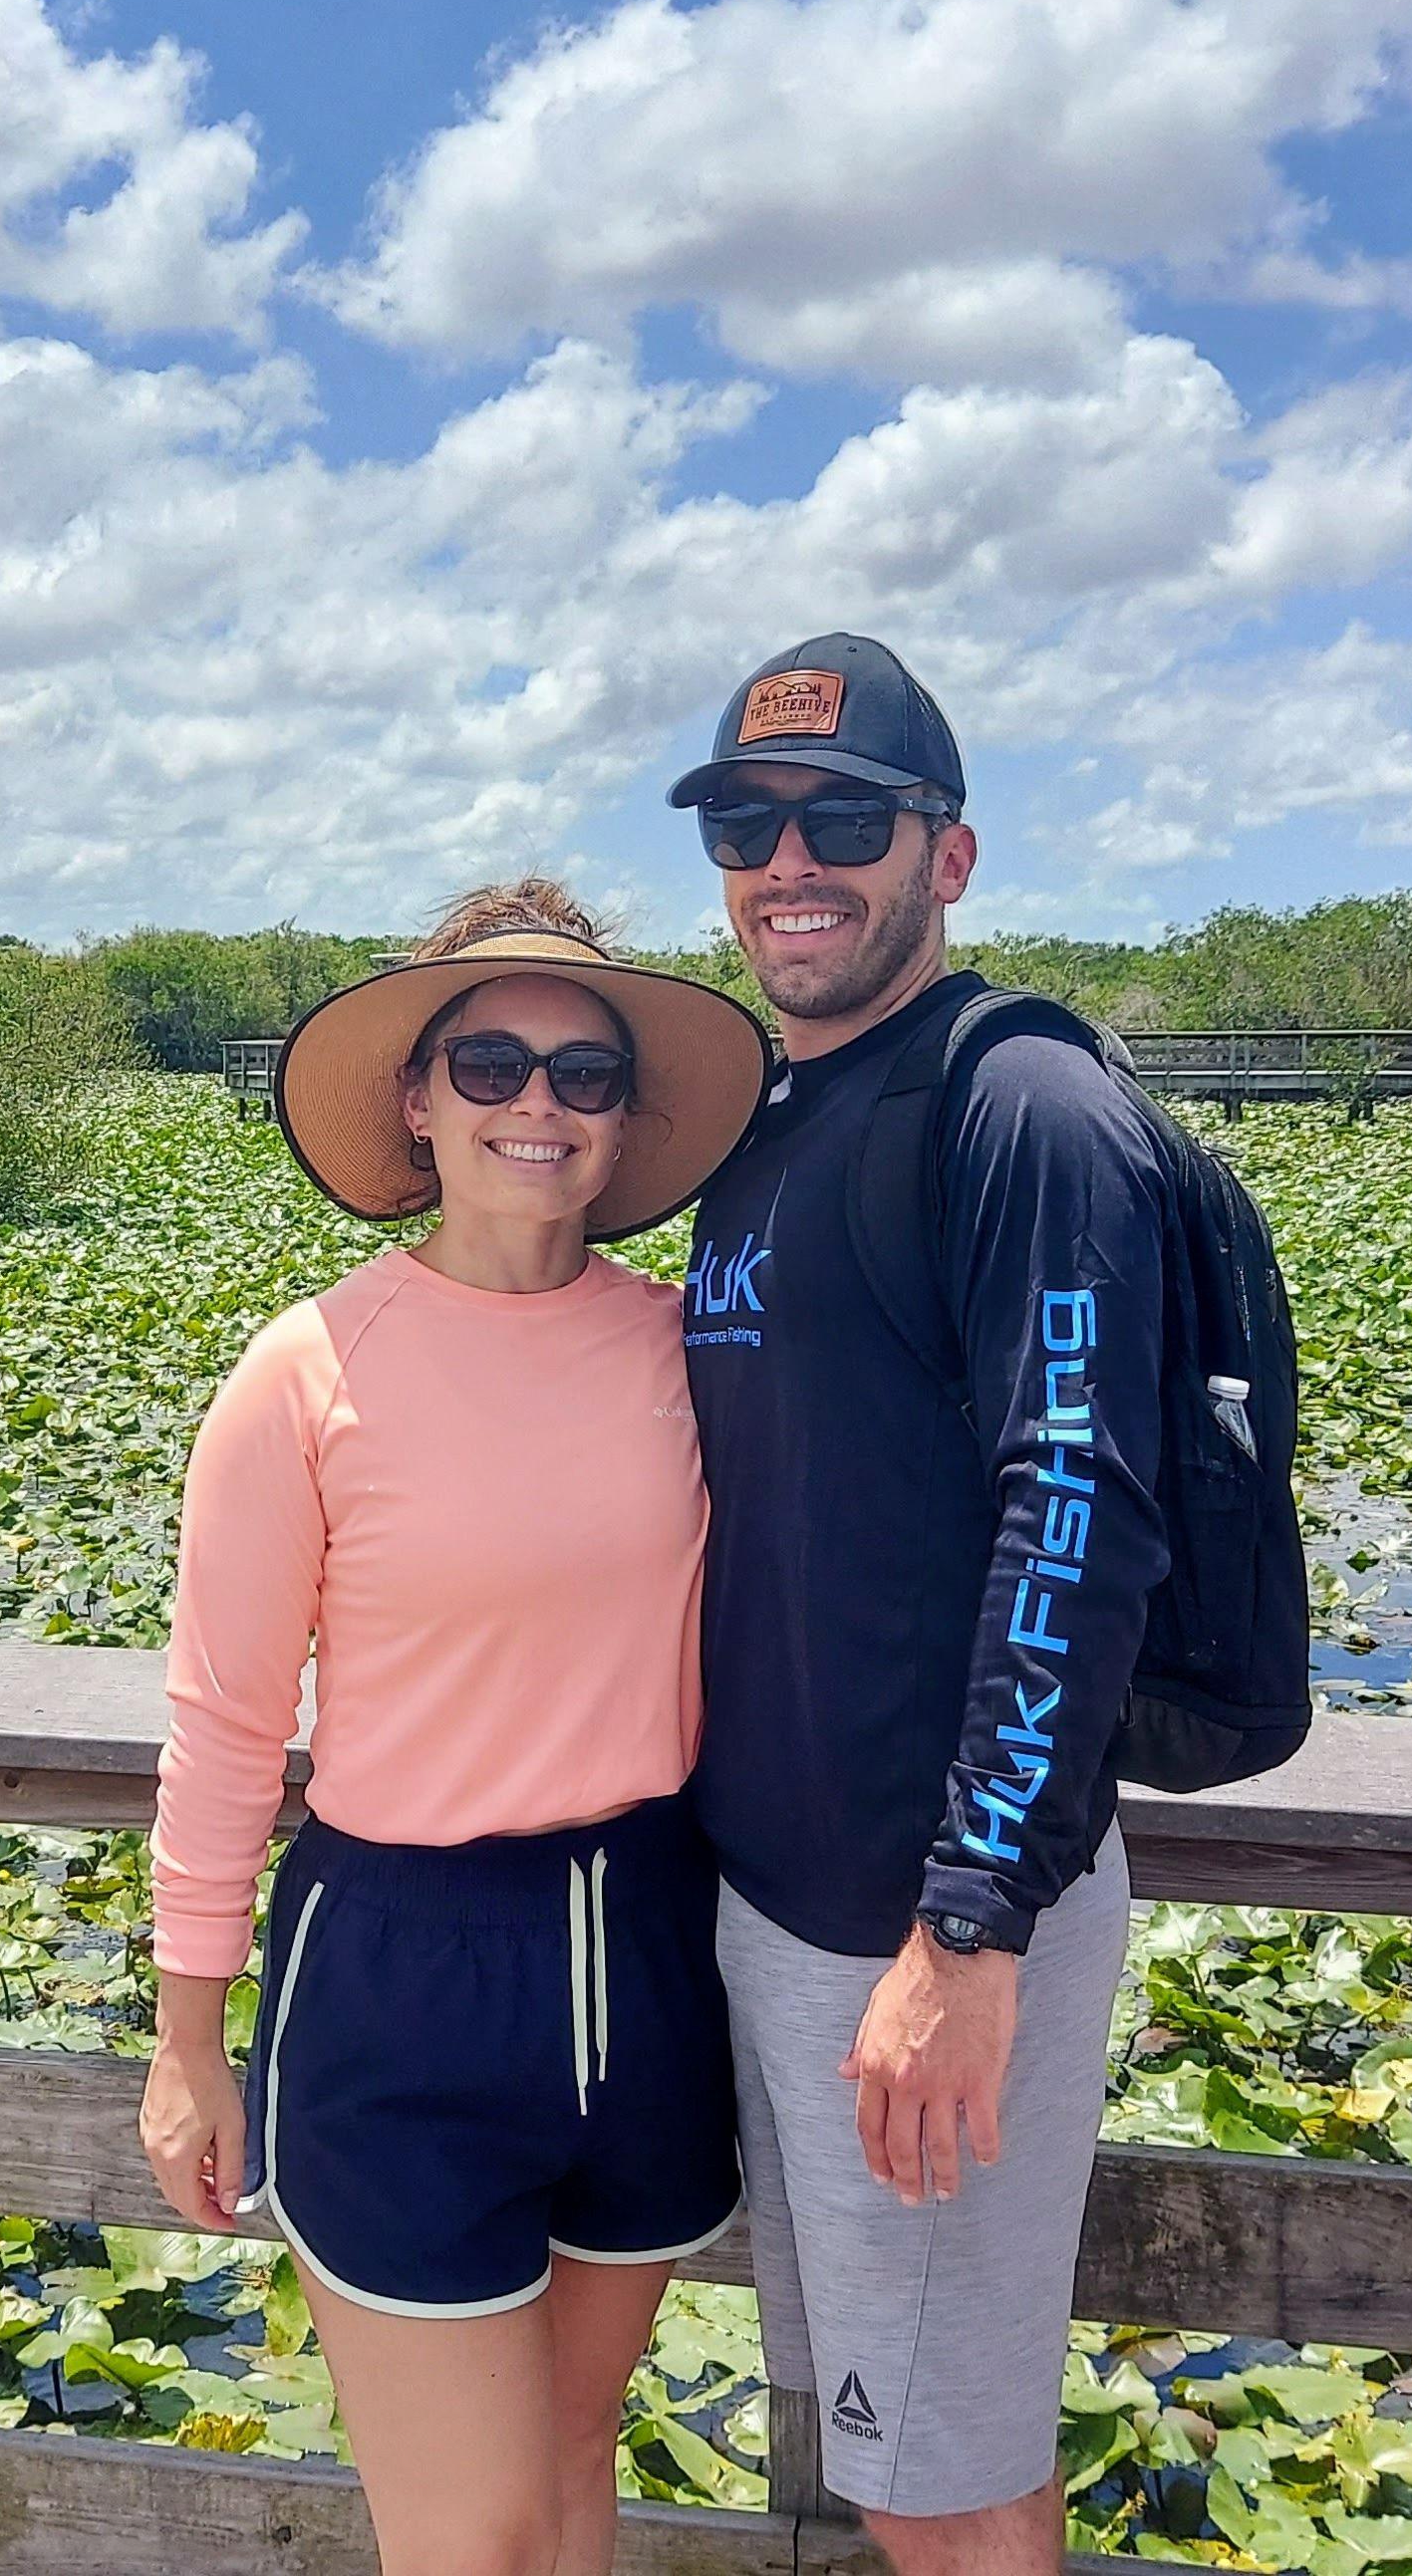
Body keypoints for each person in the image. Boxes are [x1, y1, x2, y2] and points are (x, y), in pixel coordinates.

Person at [140, 879, 772, 2576]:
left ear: (628, 1118)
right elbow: (222, 1722)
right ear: (418, 1103)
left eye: (581, 1075)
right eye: (488, 1066)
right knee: (468, 2539)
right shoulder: (310, 1370)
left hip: (647, 1945)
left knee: (575, 2465)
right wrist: (188, 2036)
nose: (536, 1109)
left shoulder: (696, 1347)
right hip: (403, 1970)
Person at [667, 634, 1168, 2574]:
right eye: (749, 824)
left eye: (845, 820)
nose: (791, 863)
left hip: (930, 1933)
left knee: (945, 2492)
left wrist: (966, 1930)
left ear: (946, 857)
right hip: (785, 1922)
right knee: (912, 2459)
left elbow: (1082, 1515)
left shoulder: (1012, 1102)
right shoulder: (761, 1133)